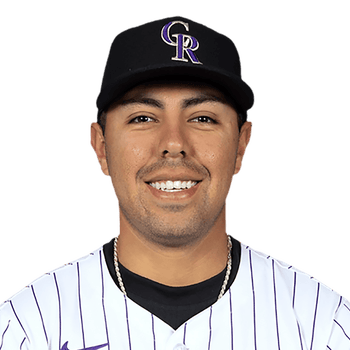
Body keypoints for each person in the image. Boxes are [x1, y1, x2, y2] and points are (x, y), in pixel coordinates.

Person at [0, 15, 349, 350]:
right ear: (102, 147)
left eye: (202, 117)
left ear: (241, 145)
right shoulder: (28, 328)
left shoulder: (323, 326)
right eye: (142, 117)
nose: (174, 143)